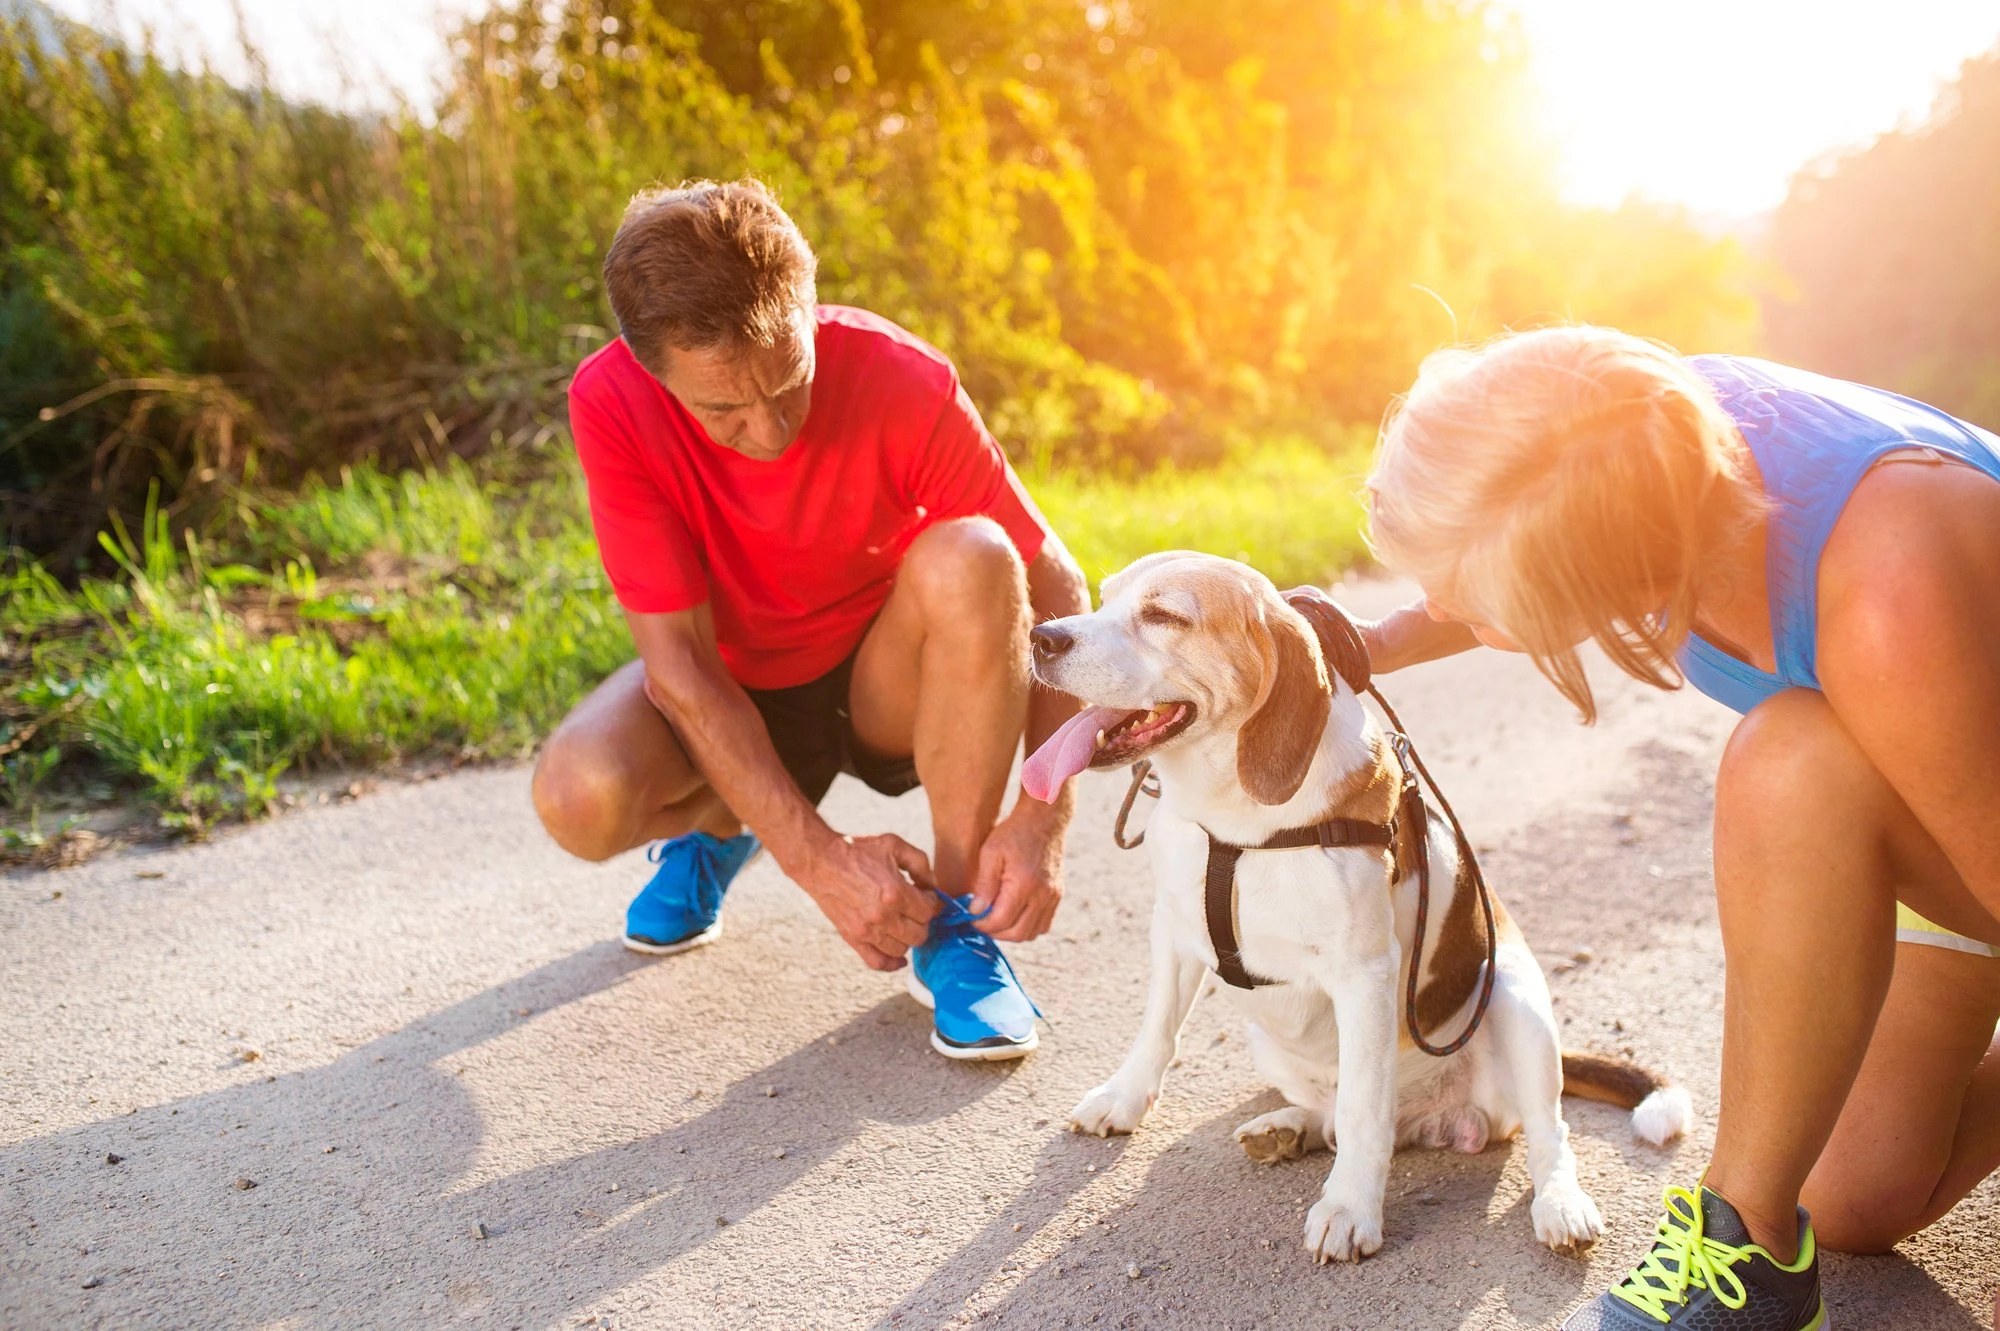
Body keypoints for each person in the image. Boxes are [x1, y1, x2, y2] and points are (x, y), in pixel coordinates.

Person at [1361, 326, 2000, 1330]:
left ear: (1575, 565)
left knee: (1787, 763)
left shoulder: (1884, 580)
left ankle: (1745, 1251)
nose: (1437, 600)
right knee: (1855, 1194)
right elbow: (1514, 537)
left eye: (1457, 586)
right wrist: (1372, 639)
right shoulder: (1634, 447)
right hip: (1950, 807)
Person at [532, 179, 1088, 1061]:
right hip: (740, 681)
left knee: (978, 554)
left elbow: (1055, 581)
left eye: (790, 382)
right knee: (577, 795)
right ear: (654, 373)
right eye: (724, 410)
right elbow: (679, 667)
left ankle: (952, 918)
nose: (770, 430)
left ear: (808, 307)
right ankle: (724, 830)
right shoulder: (611, 402)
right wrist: (818, 860)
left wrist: (1043, 812)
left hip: (884, 680)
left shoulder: (901, 376)